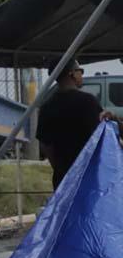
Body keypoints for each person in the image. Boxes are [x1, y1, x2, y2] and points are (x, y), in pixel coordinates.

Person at [36, 60, 116, 189]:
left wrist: (60, 168)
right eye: (80, 71)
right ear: (71, 73)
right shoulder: (88, 102)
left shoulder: (47, 107)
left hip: (63, 179)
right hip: (89, 176)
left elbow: (46, 145)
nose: (82, 75)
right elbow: (101, 138)